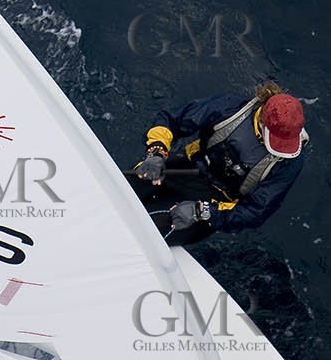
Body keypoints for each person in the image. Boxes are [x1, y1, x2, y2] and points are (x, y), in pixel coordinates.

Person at [127, 80, 308, 246]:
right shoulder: (230, 107)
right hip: (188, 166)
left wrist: (203, 211)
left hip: (216, 203)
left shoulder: (290, 161)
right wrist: (156, 153)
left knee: (149, 233)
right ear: (262, 121)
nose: (284, 147)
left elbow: (255, 212)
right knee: (127, 187)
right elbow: (171, 120)